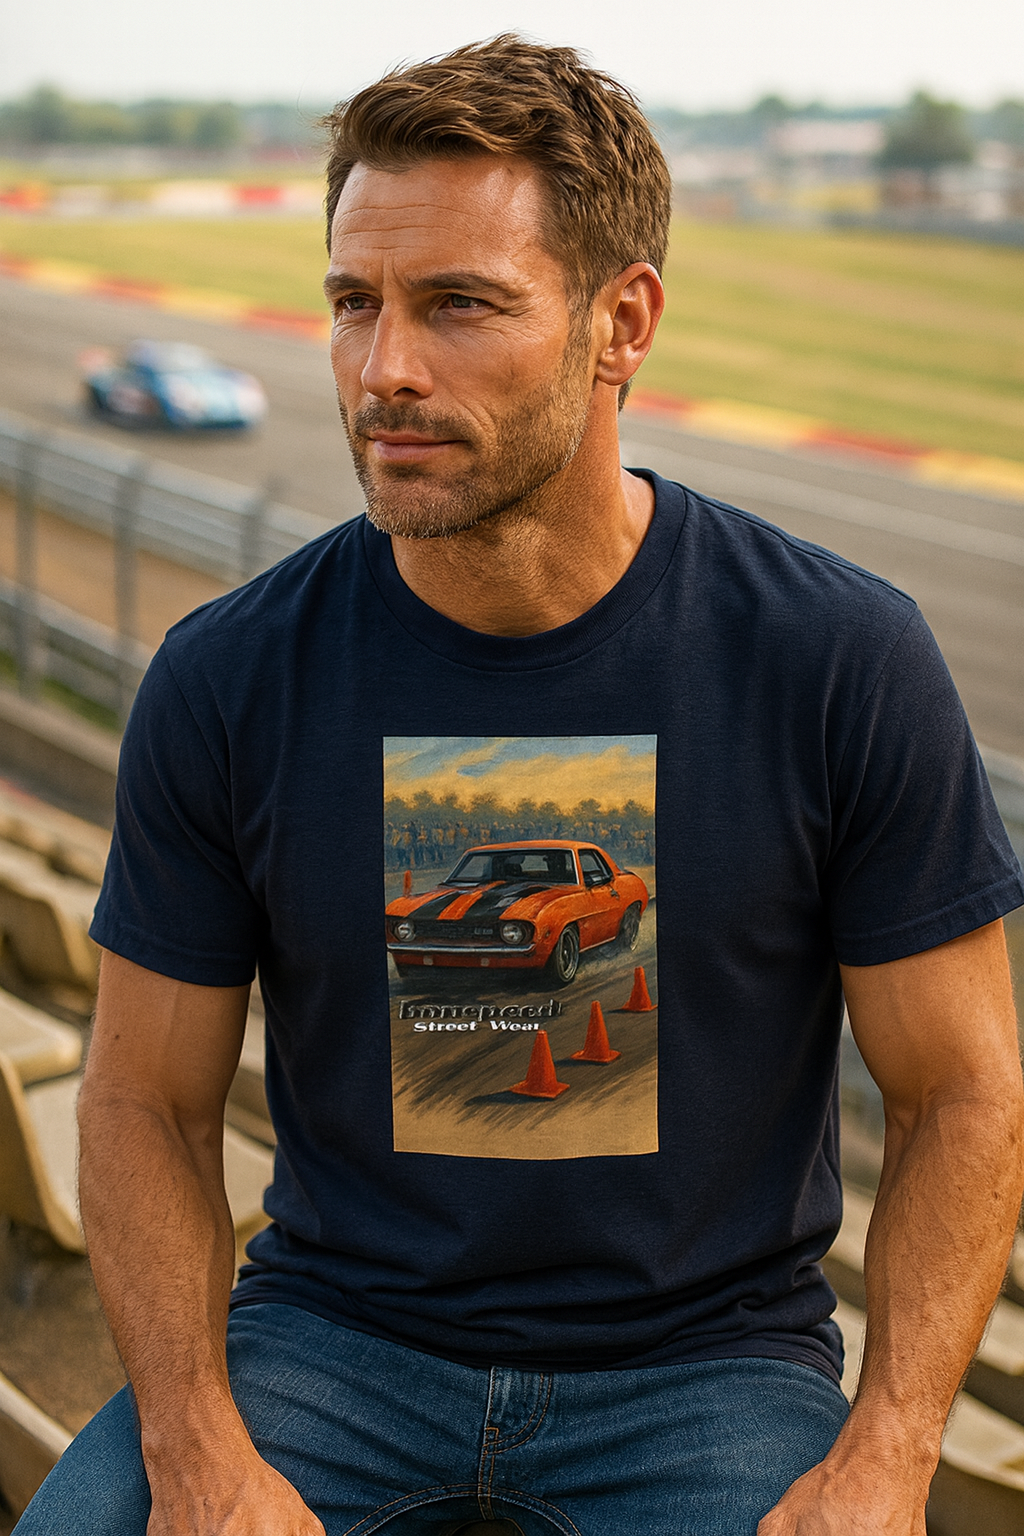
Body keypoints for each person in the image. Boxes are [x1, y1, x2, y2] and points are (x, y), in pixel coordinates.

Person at [16, 35, 1024, 1536]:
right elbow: (142, 1102)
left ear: (625, 323)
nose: (384, 368)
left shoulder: (837, 656)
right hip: (331, 1344)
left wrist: (883, 1458)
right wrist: (195, 1451)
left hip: (708, 1369)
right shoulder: (227, 673)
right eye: (355, 303)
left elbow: (962, 1092)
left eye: (459, 306)